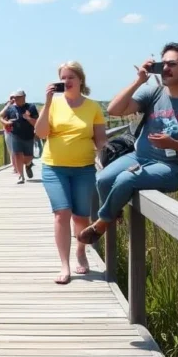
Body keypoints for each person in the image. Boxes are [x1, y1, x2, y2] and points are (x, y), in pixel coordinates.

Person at [79, 43, 178, 244]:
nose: (165, 69)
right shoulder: (154, 93)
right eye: (163, 63)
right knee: (102, 179)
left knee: (126, 180)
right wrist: (138, 81)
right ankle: (114, 213)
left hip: (173, 168)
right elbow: (114, 110)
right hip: (138, 156)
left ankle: (102, 224)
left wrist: (174, 144)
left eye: (172, 64)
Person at [34, 62, 106, 285]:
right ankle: (64, 265)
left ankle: (81, 251)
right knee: (61, 213)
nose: (66, 81)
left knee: (81, 216)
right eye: (62, 78)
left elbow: (101, 139)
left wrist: (105, 155)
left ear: (80, 80)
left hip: (84, 168)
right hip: (54, 167)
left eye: (71, 77)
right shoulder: (53, 104)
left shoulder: (93, 107)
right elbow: (41, 132)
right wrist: (47, 103)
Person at [1, 90, 39, 183]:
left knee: (28, 158)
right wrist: (6, 123)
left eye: (18, 97)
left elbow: (37, 123)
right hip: (15, 135)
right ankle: (21, 176)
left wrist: (28, 118)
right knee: (17, 155)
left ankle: (28, 165)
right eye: (14, 97)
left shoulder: (31, 107)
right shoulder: (10, 108)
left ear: (24, 97)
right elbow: (0, 117)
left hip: (29, 135)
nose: (15, 99)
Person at [0, 94, 18, 175]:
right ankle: (15, 167)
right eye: (11, 98)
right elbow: (1, 114)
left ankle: (18, 167)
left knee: (17, 150)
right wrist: (8, 104)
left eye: (14, 97)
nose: (13, 99)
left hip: (18, 132)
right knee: (11, 151)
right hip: (8, 131)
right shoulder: (7, 107)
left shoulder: (20, 106)